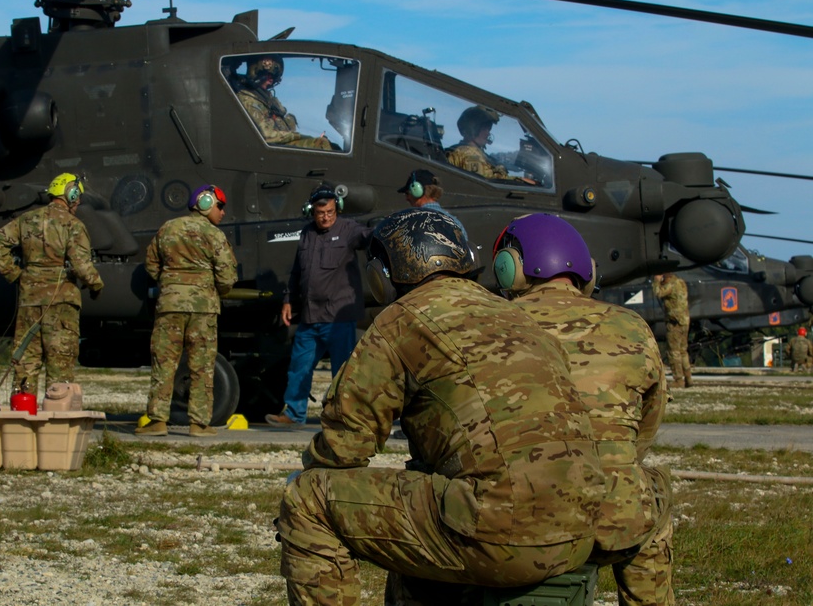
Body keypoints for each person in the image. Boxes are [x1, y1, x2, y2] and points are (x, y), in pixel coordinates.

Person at [275, 208, 605, 605]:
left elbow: (345, 445)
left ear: (383, 275)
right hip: (579, 531)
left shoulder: (400, 320)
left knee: (308, 498)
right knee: (424, 482)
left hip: (502, 534)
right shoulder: (519, 318)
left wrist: (309, 472)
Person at [494, 213, 673, 606]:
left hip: (511, 520)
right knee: (650, 493)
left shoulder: (491, 326)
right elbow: (647, 423)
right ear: (587, 273)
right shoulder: (632, 326)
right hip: (612, 523)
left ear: (510, 269)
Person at [265, 185, 373, 429]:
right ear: (311, 212)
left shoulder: (349, 229)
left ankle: (345, 417)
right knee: (299, 367)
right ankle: (294, 414)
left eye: (330, 212)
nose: (326, 217)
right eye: (321, 212)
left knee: (343, 372)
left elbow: (368, 238)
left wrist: (387, 230)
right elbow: (296, 271)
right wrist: (288, 300)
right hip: (310, 315)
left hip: (339, 317)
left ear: (338, 210)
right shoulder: (306, 234)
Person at [0, 173, 104, 397]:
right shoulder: (73, 225)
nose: (78, 201)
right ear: (71, 194)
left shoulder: (26, 220)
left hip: (29, 301)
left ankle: (22, 413)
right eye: (77, 196)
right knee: (60, 364)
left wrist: (14, 274)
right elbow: (82, 266)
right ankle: (56, 418)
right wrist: (96, 286)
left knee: (25, 362)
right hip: (62, 304)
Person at [137, 184, 238, 437]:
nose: (222, 212)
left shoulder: (168, 228)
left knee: (164, 362)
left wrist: (170, 282)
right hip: (203, 310)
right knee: (202, 365)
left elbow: (150, 264)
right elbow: (227, 276)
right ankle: (199, 423)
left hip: (169, 305)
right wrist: (215, 290)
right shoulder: (215, 236)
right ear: (204, 203)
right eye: (220, 206)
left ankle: (158, 421)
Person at [235, 55, 332, 150]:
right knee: (321, 144)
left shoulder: (269, 100)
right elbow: (266, 135)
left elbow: (285, 128)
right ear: (256, 72)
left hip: (279, 147)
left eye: (273, 76)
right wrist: (301, 137)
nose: (271, 79)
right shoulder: (247, 100)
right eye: (268, 75)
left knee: (329, 145)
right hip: (268, 152)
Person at [445, 105, 515, 180]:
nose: (488, 133)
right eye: (485, 129)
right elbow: (485, 181)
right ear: (473, 129)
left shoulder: (464, 151)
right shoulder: (469, 154)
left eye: (489, 129)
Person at [396, 168, 468, 240]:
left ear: (417, 191)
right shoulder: (455, 223)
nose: (406, 198)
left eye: (407, 193)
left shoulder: (410, 222)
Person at [653, 272, 693, 387]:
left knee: (674, 352)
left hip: (674, 322)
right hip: (685, 320)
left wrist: (656, 281)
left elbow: (658, 293)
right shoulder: (681, 282)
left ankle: (678, 380)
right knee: (683, 351)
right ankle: (688, 378)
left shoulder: (671, 285)